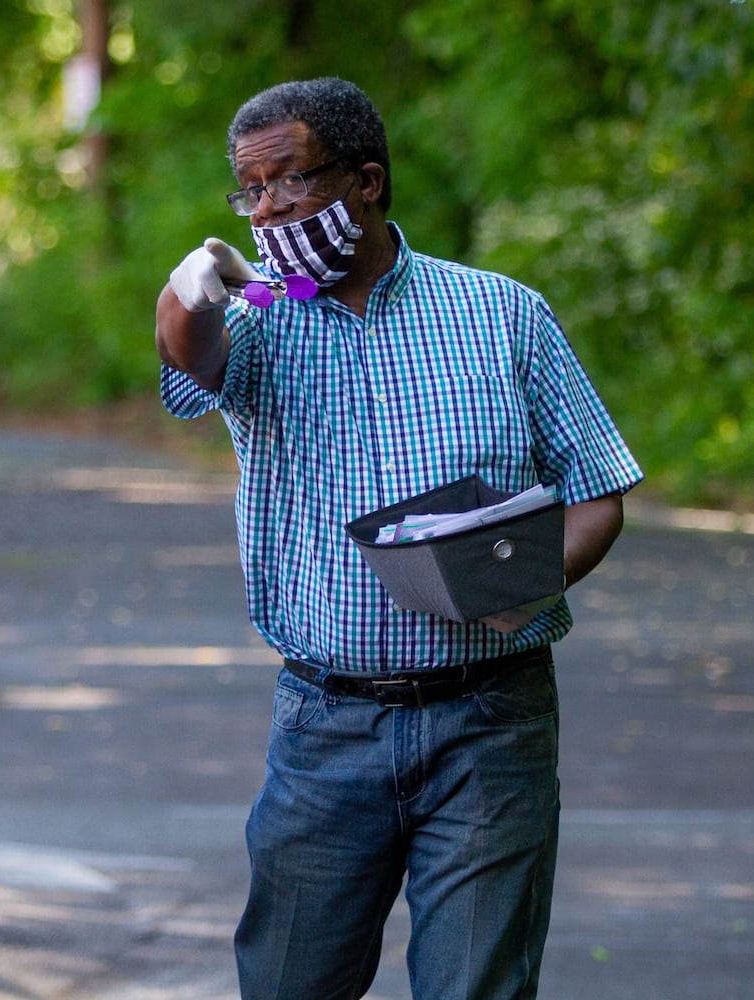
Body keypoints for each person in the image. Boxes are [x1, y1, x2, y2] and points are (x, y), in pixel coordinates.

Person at [155, 78, 643, 1000]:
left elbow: (599, 493)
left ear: (365, 180)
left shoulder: (502, 315)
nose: (265, 210)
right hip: (325, 726)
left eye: (286, 184)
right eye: (247, 191)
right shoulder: (260, 316)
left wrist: (513, 582)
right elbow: (190, 356)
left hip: (491, 722)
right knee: (291, 984)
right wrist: (189, 289)